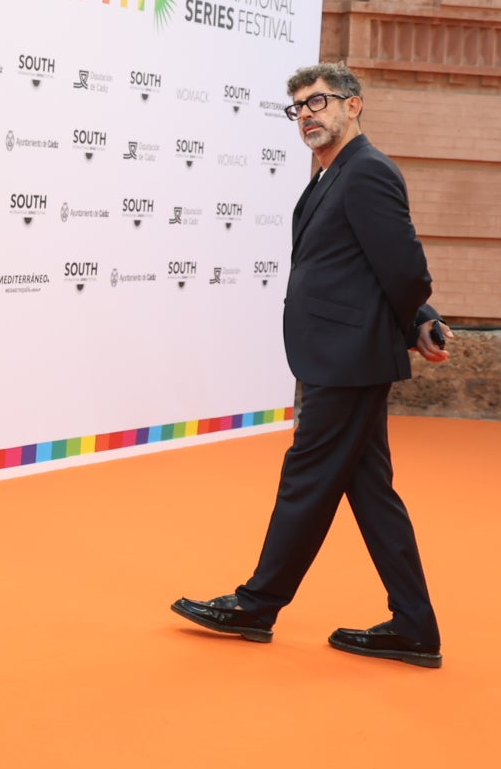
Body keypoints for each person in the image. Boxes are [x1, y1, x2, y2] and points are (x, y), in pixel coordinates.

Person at [173, 63, 451, 668]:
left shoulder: (367, 172)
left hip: (347, 360)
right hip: (341, 353)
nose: (306, 113)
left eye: (318, 101)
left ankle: (257, 604)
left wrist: (416, 319)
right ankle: (414, 626)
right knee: (371, 491)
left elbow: (404, 271)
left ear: (354, 105)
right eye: (297, 106)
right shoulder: (331, 177)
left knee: (307, 477)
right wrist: (417, 319)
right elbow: (368, 267)